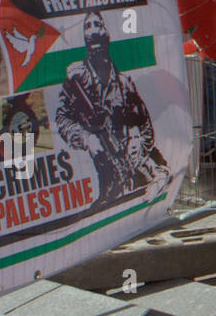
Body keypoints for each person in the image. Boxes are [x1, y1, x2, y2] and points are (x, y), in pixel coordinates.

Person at [55, 11, 166, 203]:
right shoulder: (77, 78)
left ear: (108, 33)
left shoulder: (125, 84)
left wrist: (138, 143)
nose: (93, 31)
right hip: (104, 177)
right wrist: (88, 139)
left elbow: (145, 125)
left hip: (134, 168)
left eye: (98, 24)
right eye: (87, 27)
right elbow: (63, 119)